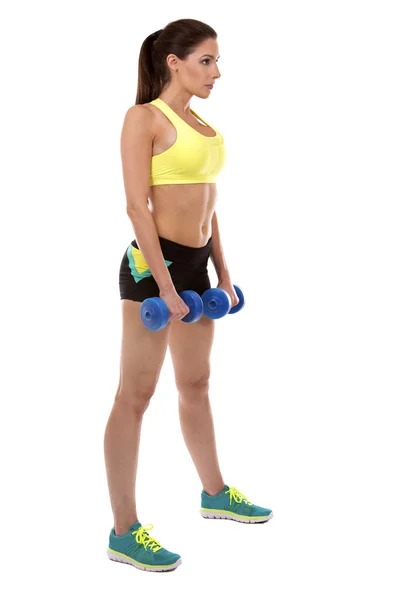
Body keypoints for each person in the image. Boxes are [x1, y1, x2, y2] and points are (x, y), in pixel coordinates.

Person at [104, 18, 273, 573]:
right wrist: (169, 287)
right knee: (136, 395)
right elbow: (136, 207)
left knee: (196, 383)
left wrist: (223, 274)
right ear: (173, 62)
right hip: (153, 273)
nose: (216, 72)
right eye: (206, 61)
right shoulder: (143, 119)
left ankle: (214, 492)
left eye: (218, 61)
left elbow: (210, 203)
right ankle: (124, 531)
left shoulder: (203, 127)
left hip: (197, 272)